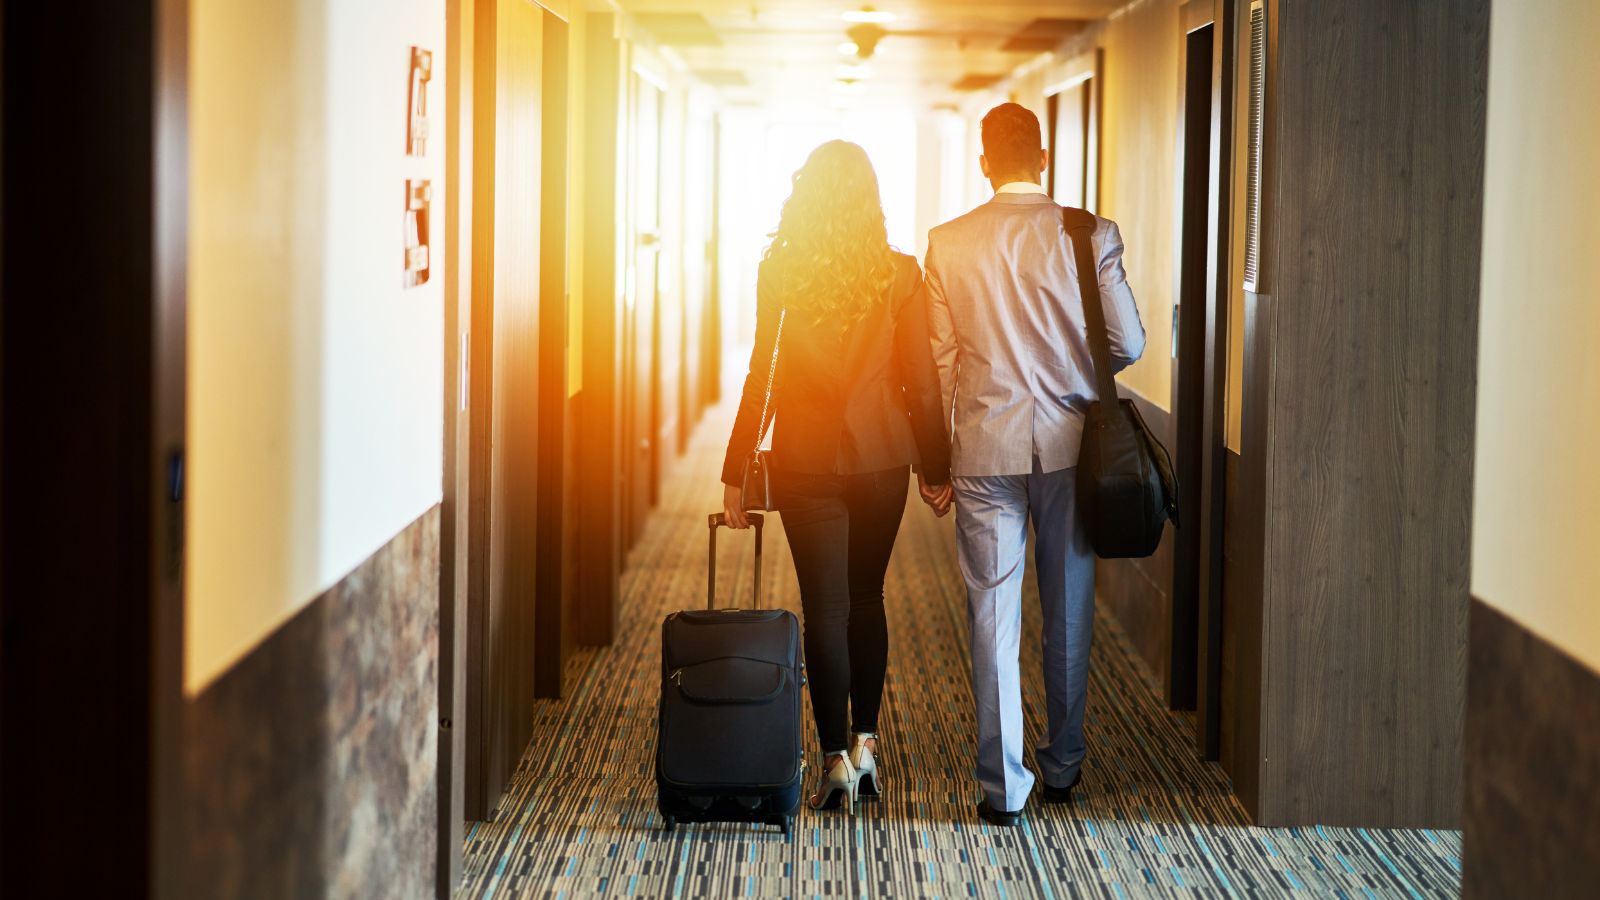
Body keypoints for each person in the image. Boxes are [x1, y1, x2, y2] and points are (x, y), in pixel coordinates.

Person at [923, 103, 1146, 826]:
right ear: (1043, 158)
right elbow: (1131, 342)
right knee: (1068, 608)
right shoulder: (1090, 234)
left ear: (985, 162)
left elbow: (939, 363)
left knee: (993, 614)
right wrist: (1075, 373)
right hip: (1072, 448)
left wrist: (935, 459)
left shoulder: (948, 244)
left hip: (984, 448)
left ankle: (1002, 786)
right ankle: (1064, 764)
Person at [721, 140, 953, 813]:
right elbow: (922, 382)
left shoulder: (783, 270)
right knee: (866, 597)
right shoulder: (900, 274)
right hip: (883, 458)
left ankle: (831, 762)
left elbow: (759, 374)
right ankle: (868, 748)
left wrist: (737, 468)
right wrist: (936, 468)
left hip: (806, 460)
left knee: (824, 606)